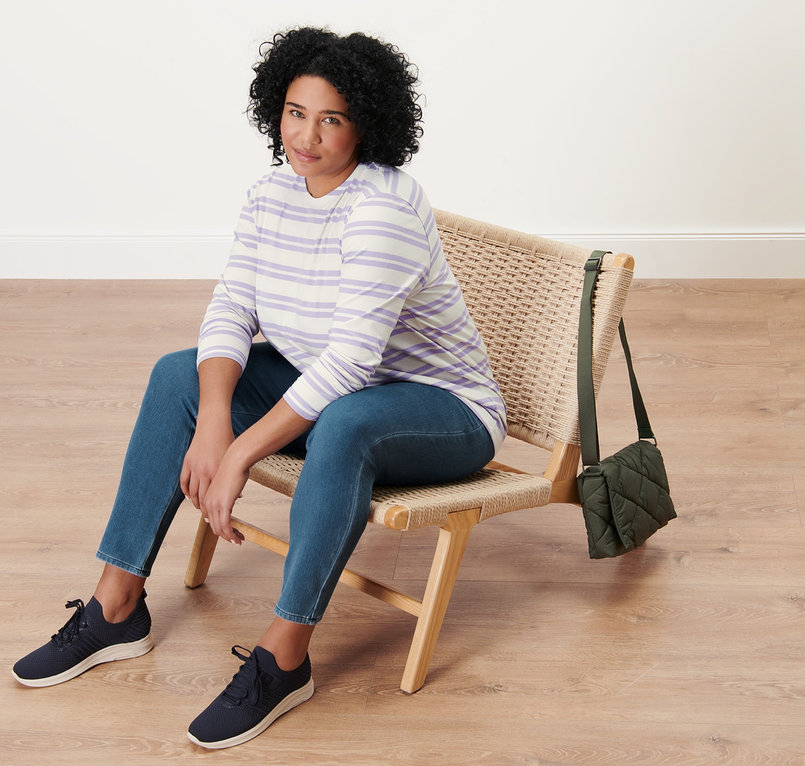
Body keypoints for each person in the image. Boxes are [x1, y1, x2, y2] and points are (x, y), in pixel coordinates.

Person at [12, 27, 507, 750]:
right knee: (177, 373)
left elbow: (351, 365)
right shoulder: (273, 192)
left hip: (441, 407)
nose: (306, 136)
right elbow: (232, 308)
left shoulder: (386, 208)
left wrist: (239, 452)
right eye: (296, 112)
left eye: (331, 118)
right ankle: (116, 608)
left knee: (345, 425)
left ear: (368, 123)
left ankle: (284, 659)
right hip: (331, 388)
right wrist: (214, 417)